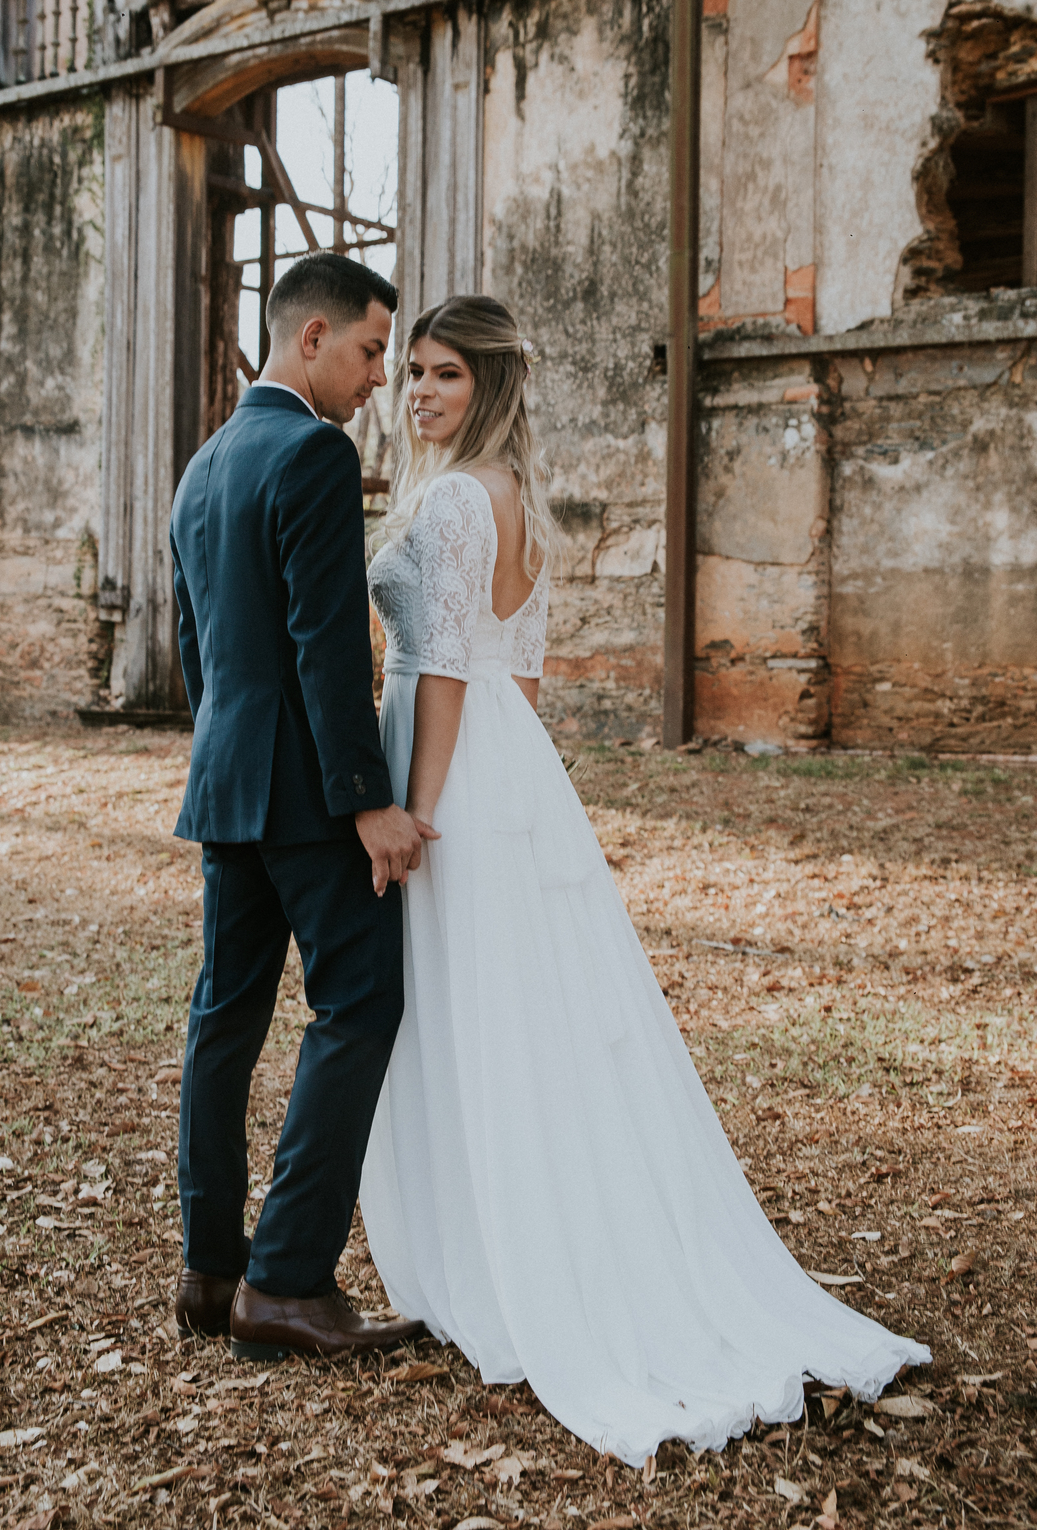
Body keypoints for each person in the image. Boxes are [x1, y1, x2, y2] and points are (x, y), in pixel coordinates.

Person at [359, 295, 930, 1464]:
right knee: (515, 1012)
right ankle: (520, 1232)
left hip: (452, 758)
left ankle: (509, 1253)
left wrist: (418, 808)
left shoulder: (464, 498)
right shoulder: (511, 497)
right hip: (506, 761)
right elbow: (523, 670)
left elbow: (454, 670)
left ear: (493, 389)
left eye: (445, 377)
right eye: (412, 371)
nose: (419, 392)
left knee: (474, 1013)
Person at [168, 252, 433, 1360]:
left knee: (224, 1021)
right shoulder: (313, 453)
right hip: (308, 800)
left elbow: (199, 651)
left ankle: (209, 1268)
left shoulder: (204, 463)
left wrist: (228, 756)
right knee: (362, 1003)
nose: (380, 377)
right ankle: (285, 1282)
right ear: (311, 337)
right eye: (373, 351)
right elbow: (329, 647)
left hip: (226, 787)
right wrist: (366, 801)